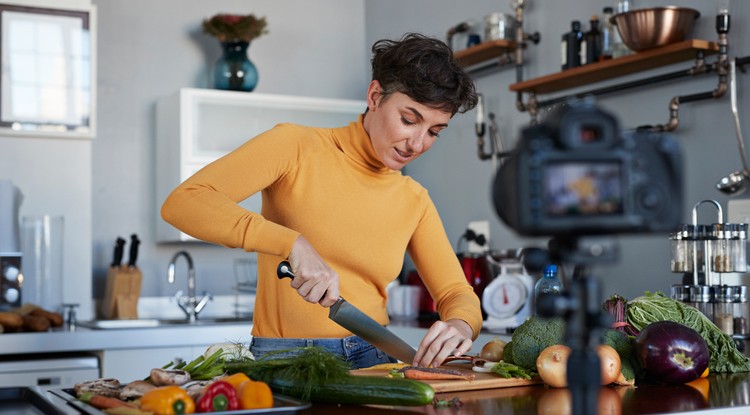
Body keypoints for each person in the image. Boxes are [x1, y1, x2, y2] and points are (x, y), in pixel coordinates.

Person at [161, 32, 483, 369]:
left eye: (434, 131)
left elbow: (456, 293)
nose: (417, 144)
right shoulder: (295, 147)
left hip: (376, 358)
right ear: (375, 96)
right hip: (285, 360)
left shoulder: (414, 199)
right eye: (409, 119)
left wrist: (460, 323)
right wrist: (292, 243)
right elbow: (184, 202)